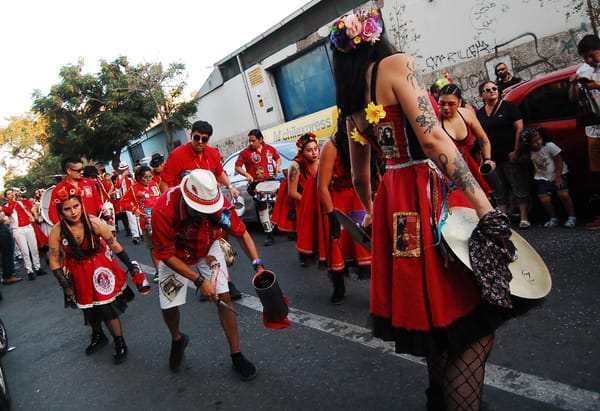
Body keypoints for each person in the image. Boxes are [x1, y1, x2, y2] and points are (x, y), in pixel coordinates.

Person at [329, 8, 511, 410]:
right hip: (432, 196)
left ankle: (437, 398)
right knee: (472, 323)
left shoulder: (350, 108)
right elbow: (433, 142)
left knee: (437, 316)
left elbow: (362, 179)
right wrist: (485, 208)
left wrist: (373, 212)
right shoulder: (397, 65)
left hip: (396, 206)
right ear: (376, 35)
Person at [150, 169, 260, 380]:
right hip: (175, 255)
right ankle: (177, 338)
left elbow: (242, 233)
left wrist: (258, 265)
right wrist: (198, 281)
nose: (206, 213)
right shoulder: (163, 210)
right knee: (169, 304)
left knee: (224, 298)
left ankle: (236, 354)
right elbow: (165, 255)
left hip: (208, 248)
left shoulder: (220, 205)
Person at [47, 185, 150, 364]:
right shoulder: (57, 231)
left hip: (99, 267)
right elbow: (54, 260)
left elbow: (114, 245)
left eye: (76, 206)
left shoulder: (94, 222)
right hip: (77, 271)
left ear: (81, 205)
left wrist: (131, 266)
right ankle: (98, 335)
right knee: (88, 307)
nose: (73, 212)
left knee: (107, 308)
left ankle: (120, 342)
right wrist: (65, 285)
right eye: (67, 209)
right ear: (60, 211)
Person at [317, 124, 371, 305]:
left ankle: (382, 290)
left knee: (368, 244)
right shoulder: (331, 147)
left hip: (361, 196)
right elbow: (322, 186)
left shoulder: (366, 137)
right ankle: (338, 286)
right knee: (338, 244)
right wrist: (332, 215)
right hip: (338, 199)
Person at [476, 81, 529, 228]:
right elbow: (480, 137)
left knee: (518, 184)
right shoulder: (480, 113)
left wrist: (516, 151)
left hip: (509, 154)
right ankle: (503, 218)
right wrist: (484, 158)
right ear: (482, 95)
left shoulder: (509, 107)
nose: (492, 91)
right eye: (488, 90)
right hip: (492, 158)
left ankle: (524, 217)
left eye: (494, 88)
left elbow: (519, 129)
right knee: (499, 189)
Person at [159, 120, 239, 199]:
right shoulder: (177, 155)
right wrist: (172, 203)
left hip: (209, 199)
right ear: (191, 136)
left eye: (204, 139)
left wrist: (230, 187)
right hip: (185, 201)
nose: (200, 142)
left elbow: (219, 173)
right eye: (197, 137)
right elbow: (163, 184)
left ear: (208, 139)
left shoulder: (213, 153)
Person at [568, 34, 600, 230]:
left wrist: (597, 85)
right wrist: (573, 84)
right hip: (594, 129)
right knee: (597, 175)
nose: (589, 60)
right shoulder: (584, 70)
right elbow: (572, 99)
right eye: (585, 57)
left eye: (592, 56)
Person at [438, 84, 493, 196]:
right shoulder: (435, 121)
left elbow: (483, 138)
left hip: (473, 166)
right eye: (442, 103)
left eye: (451, 104)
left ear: (459, 102)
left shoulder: (466, 114)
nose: (446, 107)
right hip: (450, 173)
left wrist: (487, 158)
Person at [520, 127, 577, 228]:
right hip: (541, 177)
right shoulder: (530, 152)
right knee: (544, 199)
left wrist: (558, 177)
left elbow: (559, 160)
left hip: (558, 174)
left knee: (563, 195)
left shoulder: (549, 146)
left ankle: (572, 217)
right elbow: (527, 161)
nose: (538, 143)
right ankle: (553, 218)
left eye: (539, 139)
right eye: (534, 142)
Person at [235, 129, 282, 246]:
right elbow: (237, 167)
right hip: (257, 184)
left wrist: (278, 166)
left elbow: (278, 158)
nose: (250, 143)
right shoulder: (245, 153)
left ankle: (286, 228)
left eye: (253, 140)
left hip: (271, 181)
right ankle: (269, 234)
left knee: (280, 205)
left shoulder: (269, 149)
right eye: (249, 141)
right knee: (262, 208)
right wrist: (247, 175)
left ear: (260, 139)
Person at [120, 166, 162, 282]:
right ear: (139, 178)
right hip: (147, 221)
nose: (149, 179)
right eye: (146, 177)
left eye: (150, 176)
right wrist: (135, 209)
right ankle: (158, 270)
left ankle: (171, 267)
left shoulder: (155, 184)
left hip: (160, 218)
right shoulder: (134, 189)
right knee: (153, 247)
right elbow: (123, 202)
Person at [287, 133, 320, 266]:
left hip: (320, 198)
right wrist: (309, 201)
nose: (314, 153)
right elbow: (292, 192)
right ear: (302, 151)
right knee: (306, 231)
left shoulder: (322, 158)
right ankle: (304, 254)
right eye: (309, 150)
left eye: (315, 149)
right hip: (303, 202)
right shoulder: (295, 166)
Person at [2, 188, 46, 280]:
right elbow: (9, 211)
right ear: (6, 198)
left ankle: (38, 268)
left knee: (34, 249)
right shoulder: (5, 206)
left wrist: (19, 197)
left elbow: (29, 206)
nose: (12, 195)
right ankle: (29, 271)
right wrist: (14, 201)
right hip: (18, 230)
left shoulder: (21, 202)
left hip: (28, 227)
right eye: (9, 194)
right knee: (25, 251)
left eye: (12, 193)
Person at [48, 158, 103, 226]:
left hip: (94, 224)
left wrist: (102, 209)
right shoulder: (59, 189)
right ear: (69, 171)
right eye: (79, 170)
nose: (82, 172)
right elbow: (53, 213)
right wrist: (64, 228)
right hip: (75, 230)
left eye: (82, 169)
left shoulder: (88, 182)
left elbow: (97, 201)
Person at [83, 165, 116, 233]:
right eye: (92, 178)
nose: (95, 180)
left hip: (103, 212)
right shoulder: (83, 188)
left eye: (96, 177)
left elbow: (106, 197)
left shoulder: (99, 185)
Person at [115, 162, 141, 244]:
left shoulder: (132, 175)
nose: (126, 170)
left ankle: (141, 232)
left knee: (138, 216)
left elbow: (138, 184)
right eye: (123, 169)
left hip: (135, 198)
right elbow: (117, 186)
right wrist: (123, 176)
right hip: (126, 199)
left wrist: (131, 177)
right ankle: (135, 235)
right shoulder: (119, 177)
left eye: (126, 168)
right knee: (131, 217)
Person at [0, 211, 21, 284]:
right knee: (7, 255)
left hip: (3, 232)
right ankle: (8, 277)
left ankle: (7, 275)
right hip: (2, 234)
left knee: (5, 256)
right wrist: (2, 218)